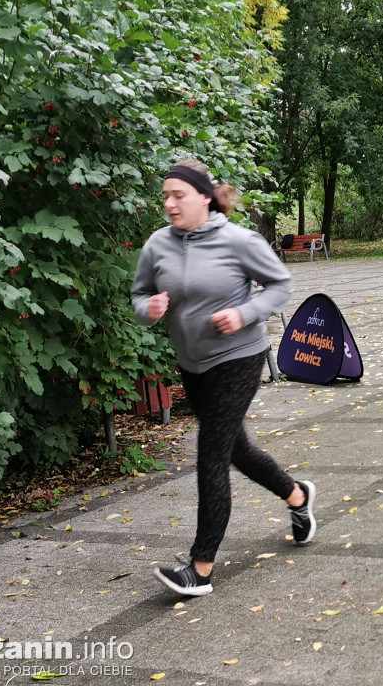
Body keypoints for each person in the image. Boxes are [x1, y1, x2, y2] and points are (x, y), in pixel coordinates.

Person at [131, 159, 316, 597]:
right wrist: (149, 310)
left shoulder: (238, 241)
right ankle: (298, 497)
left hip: (238, 357)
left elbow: (280, 284)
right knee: (238, 450)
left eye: (178, 195)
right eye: (166, 195)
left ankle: (200, 567)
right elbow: (139, 295)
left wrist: (244, 312)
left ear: (203, 197)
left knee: (212, 455)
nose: (169, 203)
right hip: (193, 364)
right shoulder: (157, 245)